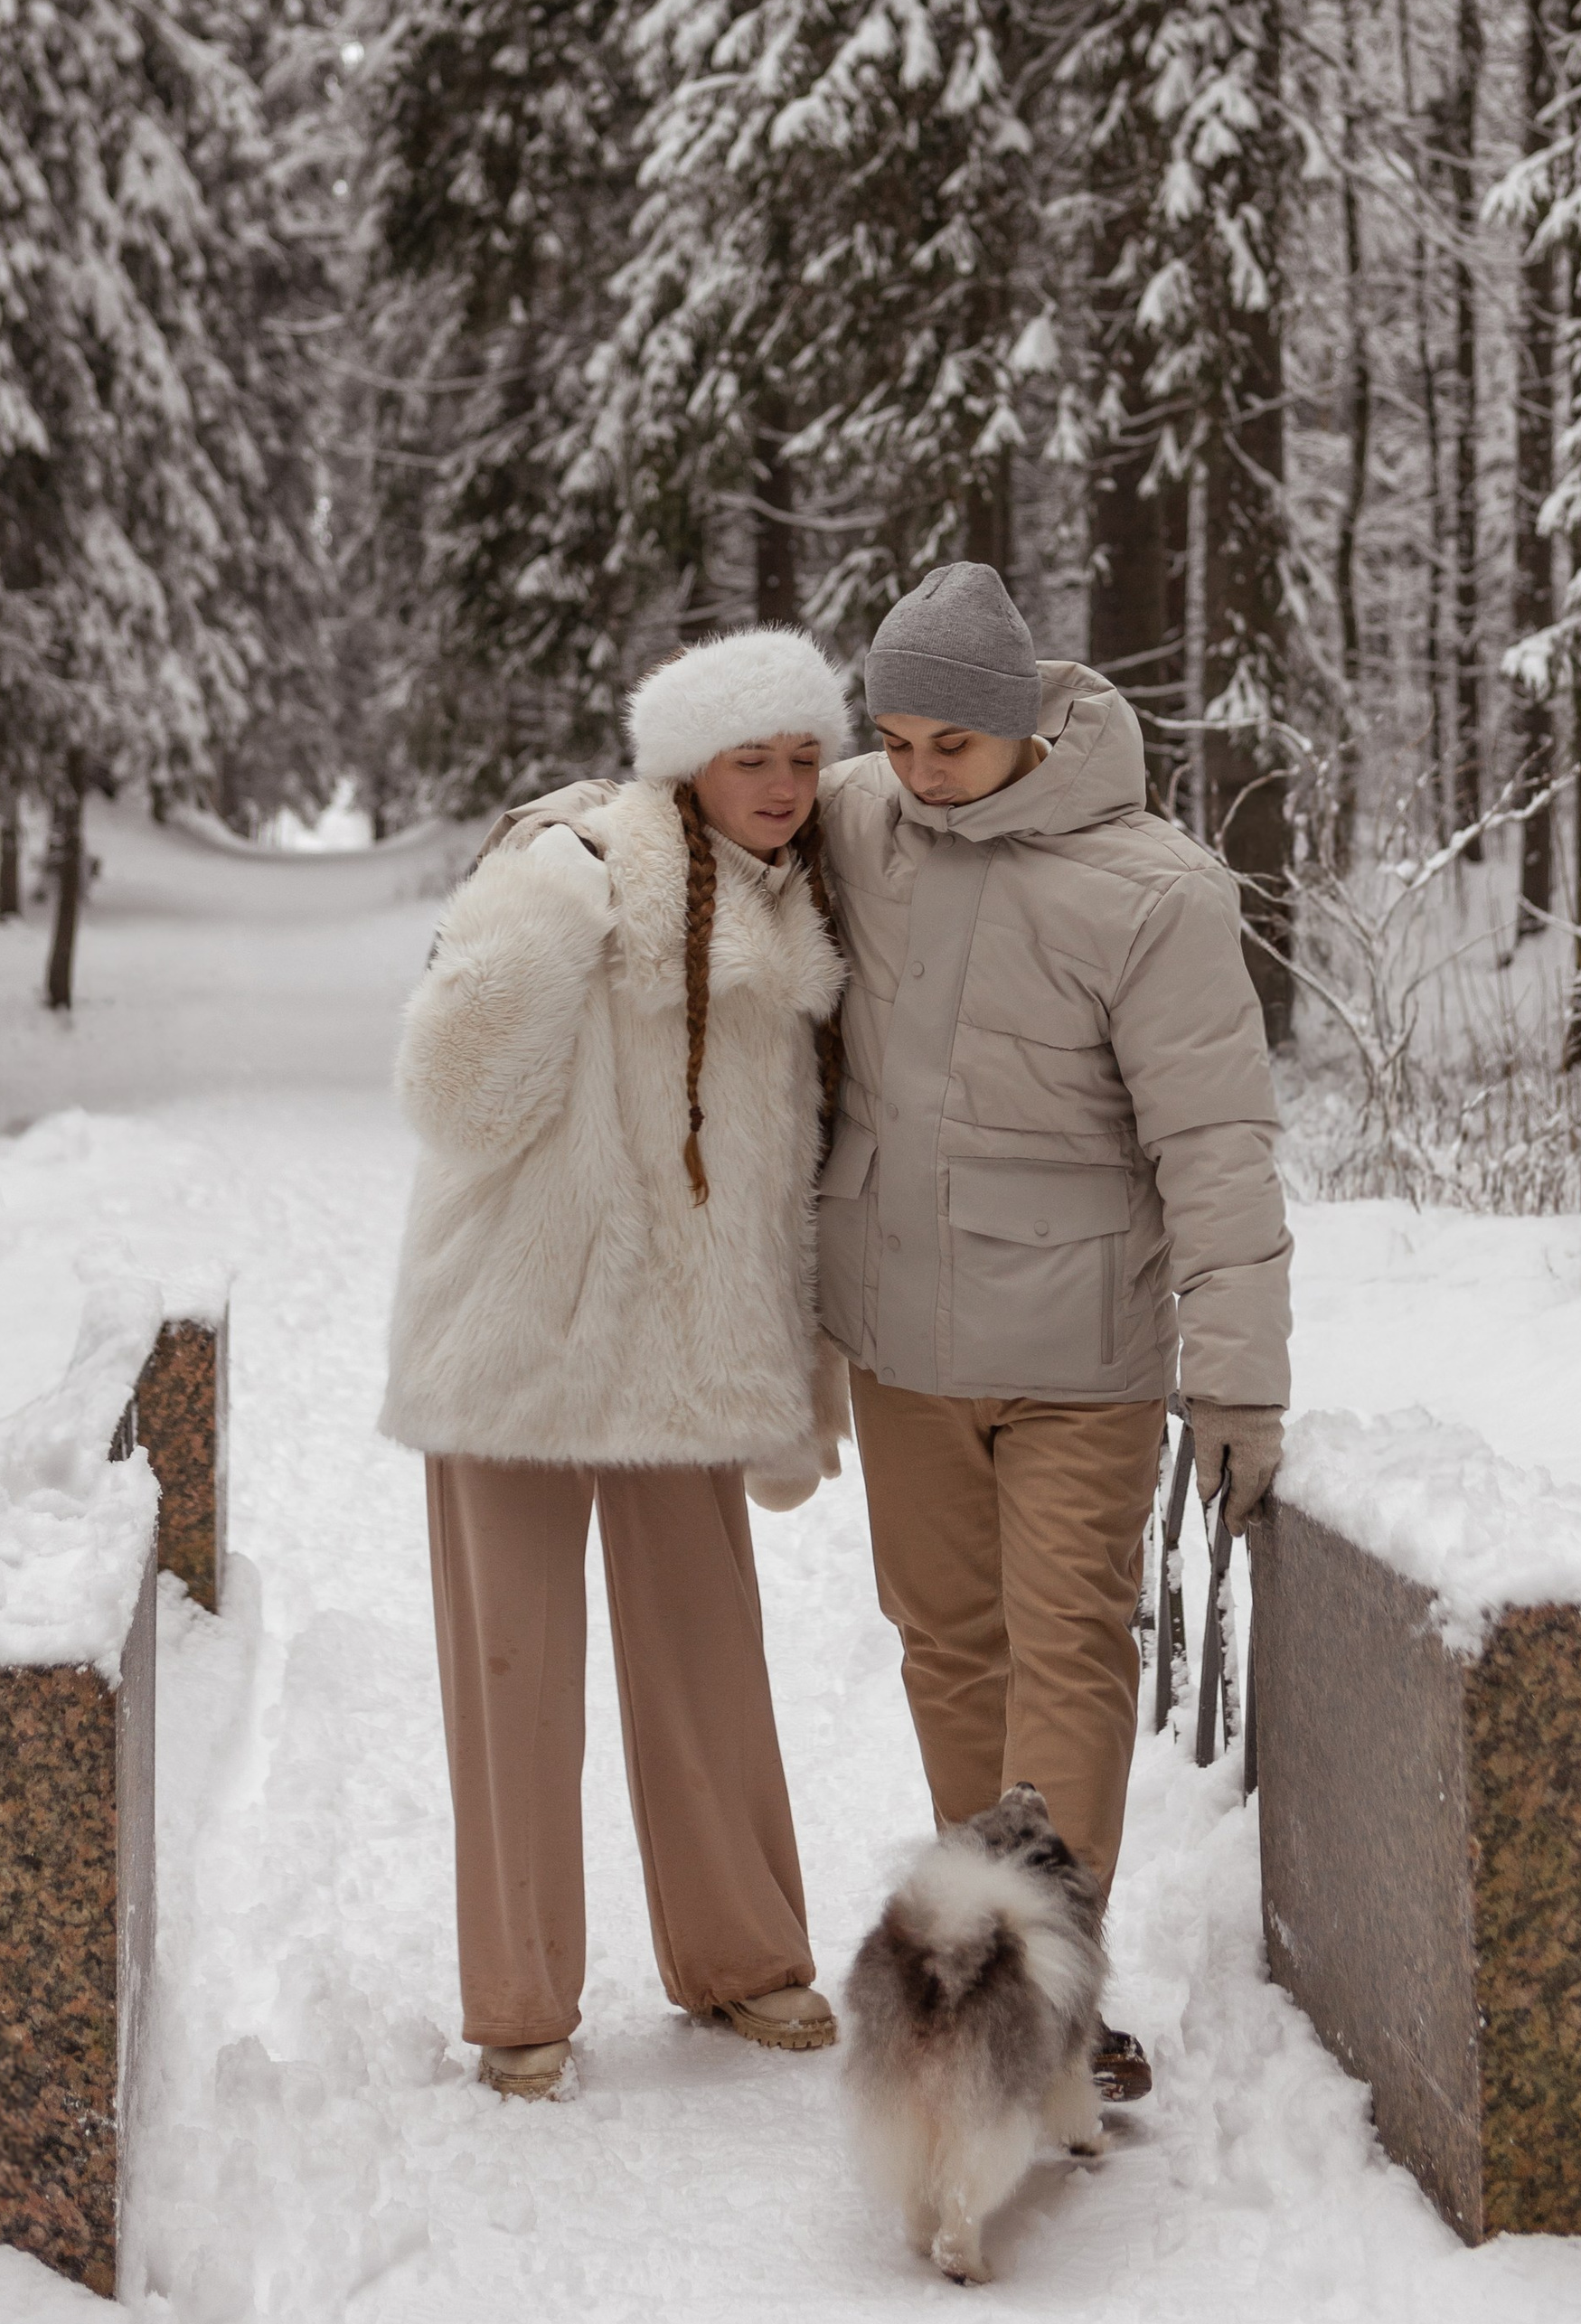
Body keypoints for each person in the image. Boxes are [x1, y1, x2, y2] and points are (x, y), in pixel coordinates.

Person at [814, 562, 1293, 2103]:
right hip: (900, 1342)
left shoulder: (1155, 892)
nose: (915, 772)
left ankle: (1060, 1991)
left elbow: (1217, 1146)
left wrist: (1237, 1376)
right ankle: (978, 1969)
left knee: (1067, 1656)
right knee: (946, 1648)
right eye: (890, 739)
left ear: (1021, 727)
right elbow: (706, 802)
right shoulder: (858, 822)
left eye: (946, 744)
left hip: (1079, 1355)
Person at [381, 626, 858, 2096]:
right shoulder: (575, 863)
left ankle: (743, 1960)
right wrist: (535, 923)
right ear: (685, 763)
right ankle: (520, 2000)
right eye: (747, 759)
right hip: (519, 1344)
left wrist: (798, 1381)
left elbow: (780, 1182)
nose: (779, 785)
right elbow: (450, 1096)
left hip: (687, 1362)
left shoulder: (797, 907)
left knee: (708, 1663)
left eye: (799, 757)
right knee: (513, 1670)